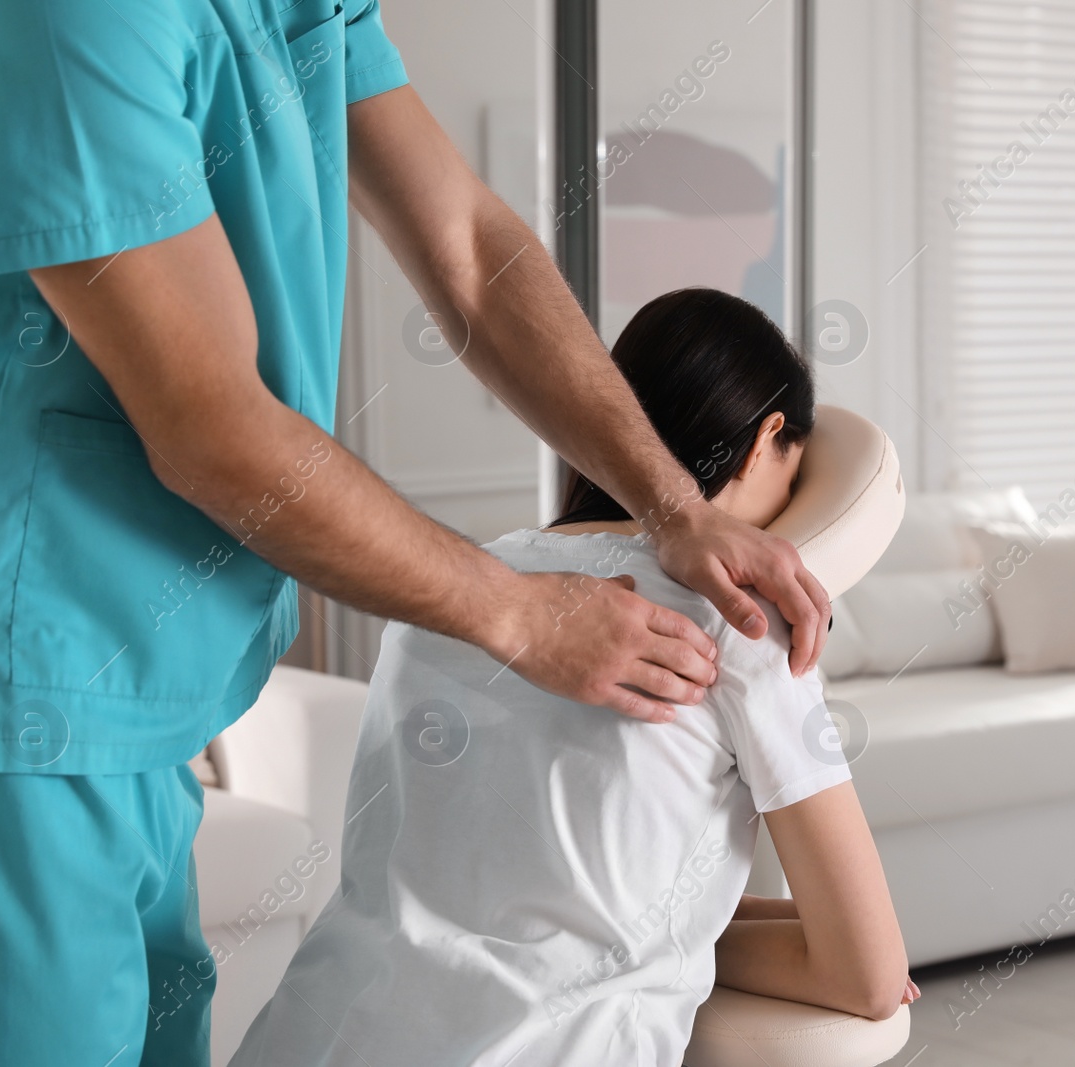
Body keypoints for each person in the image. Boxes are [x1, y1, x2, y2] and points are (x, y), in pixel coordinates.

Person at [0, 3, 830, 1065]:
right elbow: (210, 425)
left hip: (142, 698)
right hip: (0, 698)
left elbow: (466, 244)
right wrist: (517, 614)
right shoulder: (58, 18)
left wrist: (672, 506)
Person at [233, 289, 917, 1067]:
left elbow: (487, 893)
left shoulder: (451, 594)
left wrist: (692, 917)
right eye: (789, 481)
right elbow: (868, 975)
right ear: (765, 441)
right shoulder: (742, 621)